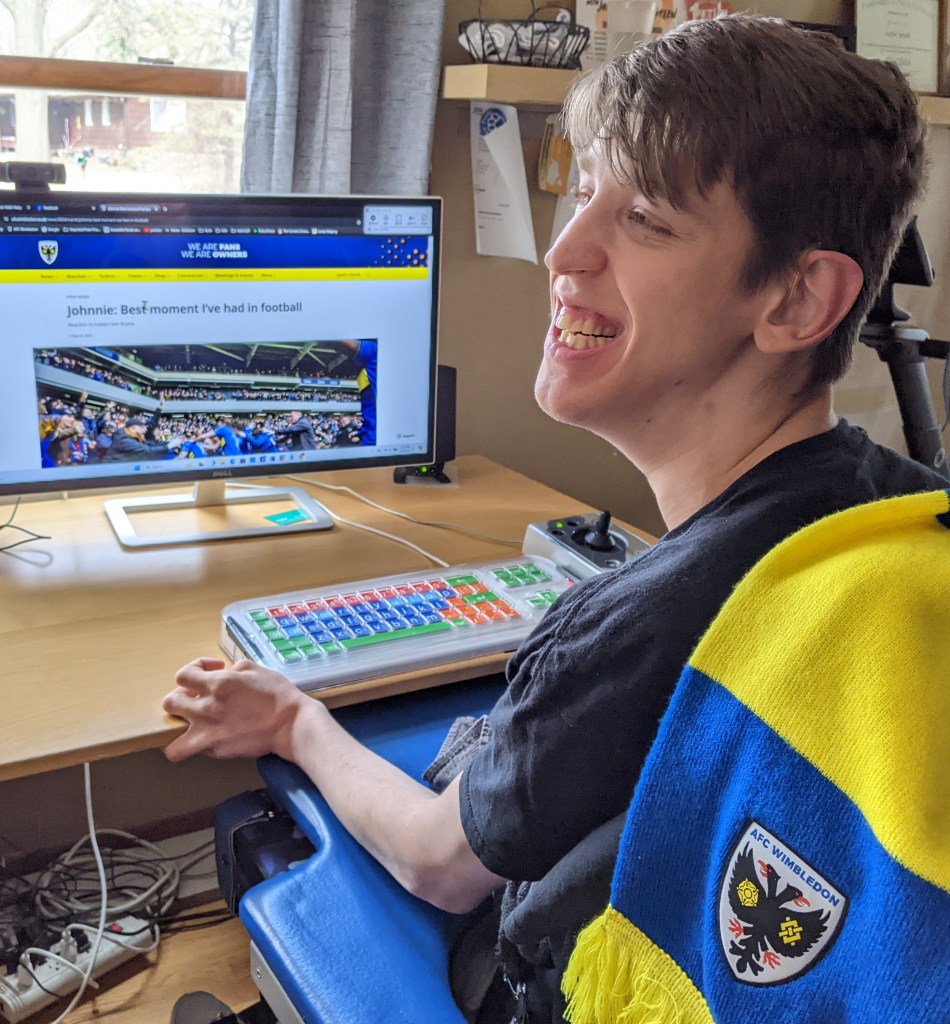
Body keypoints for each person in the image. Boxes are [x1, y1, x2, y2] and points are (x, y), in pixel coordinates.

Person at [161, 16, 944, 1020]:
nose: (562, 252)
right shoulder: (895, 508)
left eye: (645, 219)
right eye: (582, 197)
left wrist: (292, 718)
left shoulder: (647, 623)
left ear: (797, 299)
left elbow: (440, 867)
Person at [103, 417, 182, 461]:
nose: (146, 429)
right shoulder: (124, 440)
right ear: (133, 428)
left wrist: (169, 442)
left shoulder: (131, 436)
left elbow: (150, 444)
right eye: (142, 427)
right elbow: (147, 451)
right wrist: (169, 446)